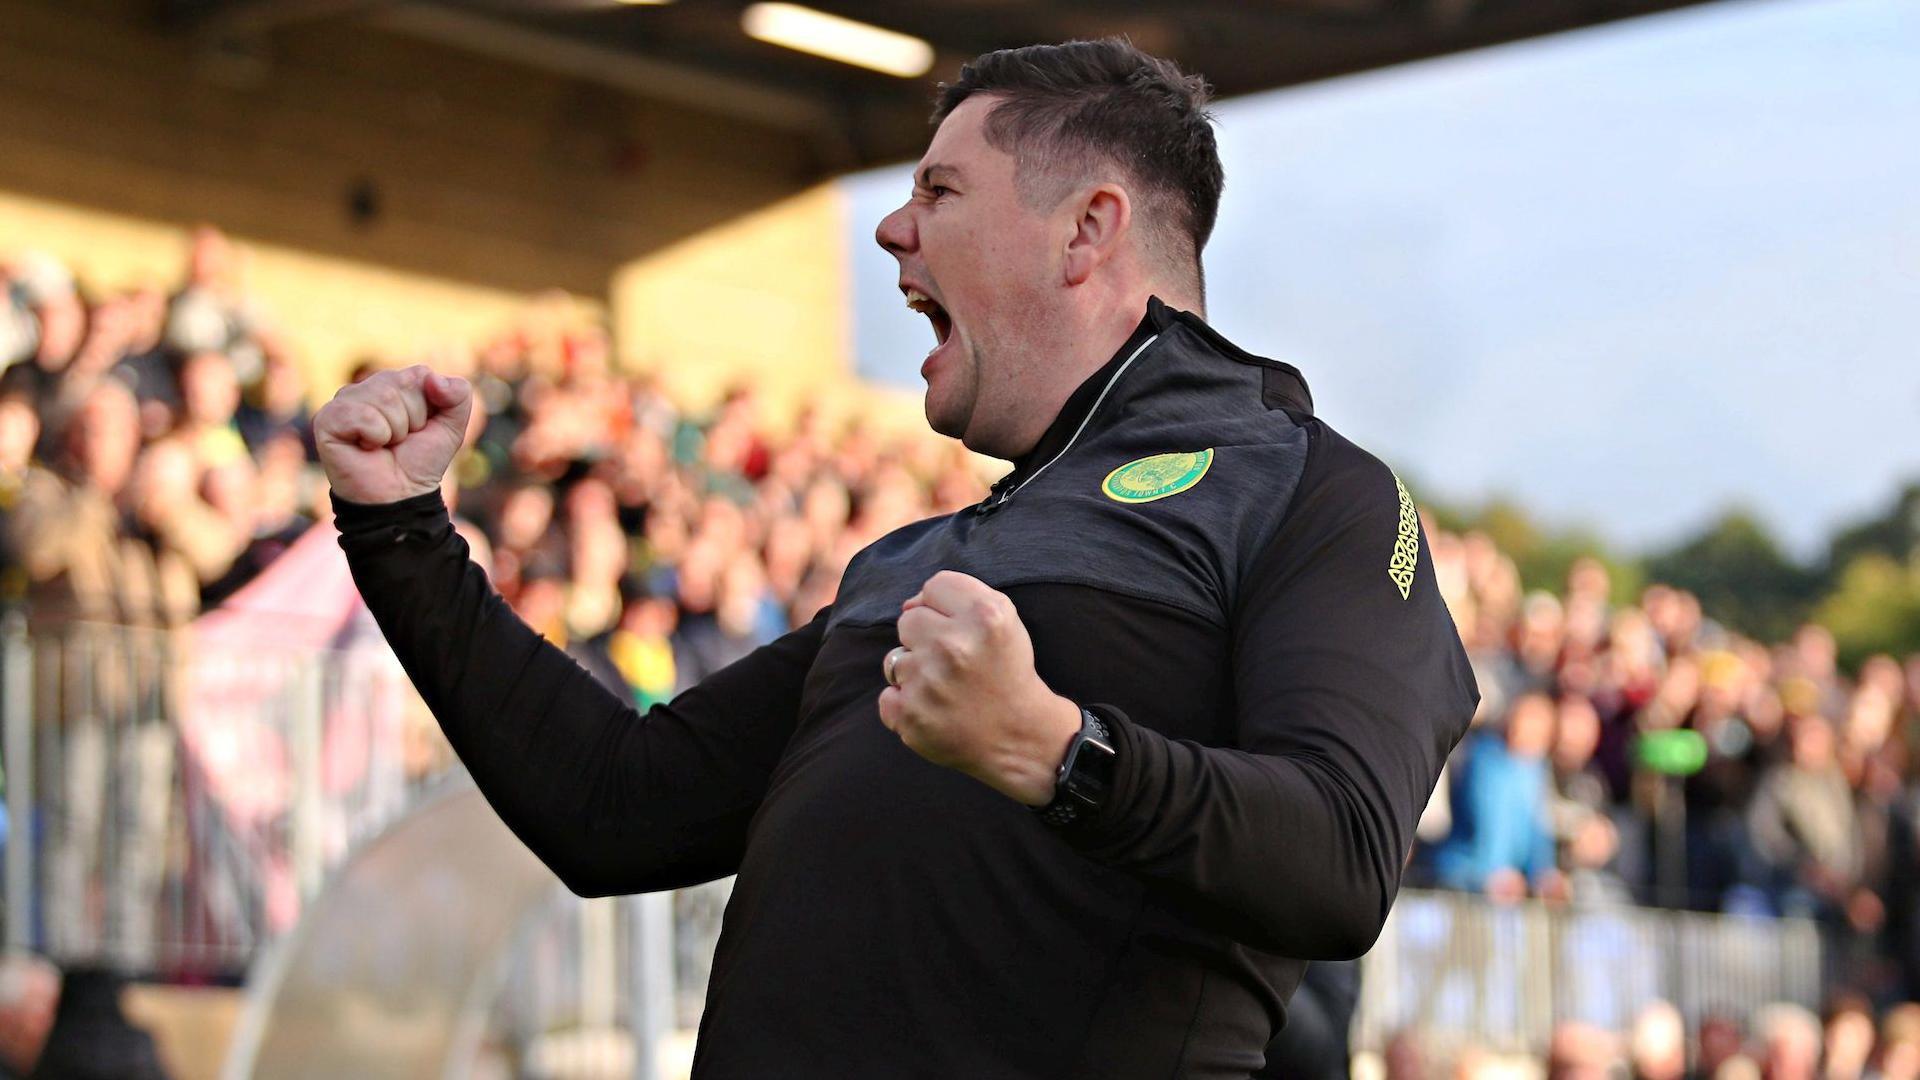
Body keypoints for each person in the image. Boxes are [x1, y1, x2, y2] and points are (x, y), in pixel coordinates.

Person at [315, 39, 1478, 1078]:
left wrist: (1060, 753)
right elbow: (615, 807)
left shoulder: (1313, 489)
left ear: (1088, 230)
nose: (891, 227)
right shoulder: (917, 558)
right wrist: (401, 530)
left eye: (939, 190)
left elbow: (1343, 854)